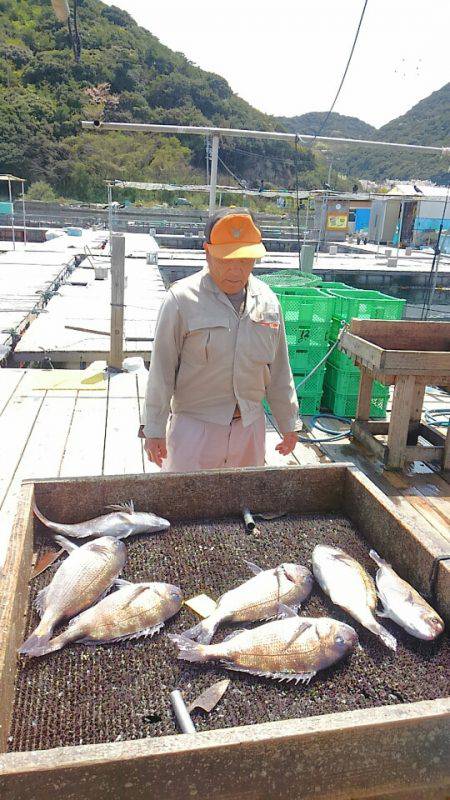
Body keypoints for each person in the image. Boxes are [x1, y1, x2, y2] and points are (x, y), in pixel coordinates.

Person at [142, 208, 299, 471]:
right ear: (207, 251)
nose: (236, 270)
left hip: (250, 428)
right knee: (186, 504)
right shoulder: (180, 300)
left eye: (246, 260)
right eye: (226, 259)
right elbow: (161, 370)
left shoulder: (268, 301)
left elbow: (280, 369)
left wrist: (289, 423)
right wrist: (154, 429)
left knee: (243, 504)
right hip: (194, 428)